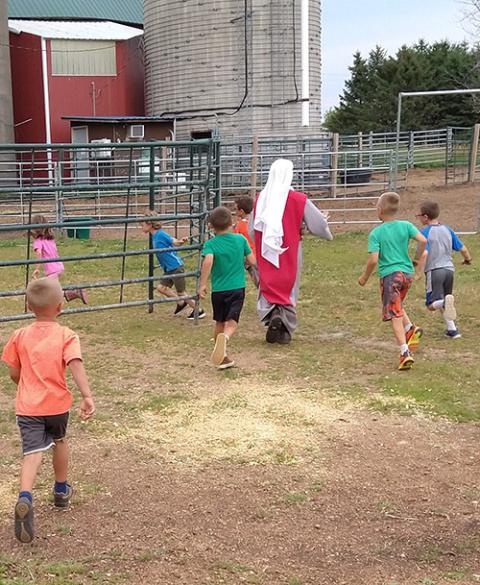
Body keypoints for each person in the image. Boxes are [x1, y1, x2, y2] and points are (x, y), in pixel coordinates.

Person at [1, 277, 95, 544]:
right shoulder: (66, 335)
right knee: (60, 442)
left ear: (29, 306)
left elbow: (13, 373)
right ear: (60, 306)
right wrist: (87, 396)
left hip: (28, 406)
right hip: (57, 405)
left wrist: (26, 384)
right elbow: (75, 364)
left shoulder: (19, 336)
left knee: (32, 453)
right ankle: (61, 491)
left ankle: (25, 496)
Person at [251, 158, 333, 345]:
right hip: (291, 249)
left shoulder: (261, 199)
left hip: (266, 251)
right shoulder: (298, 199)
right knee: (289, 285)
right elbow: (318, 223)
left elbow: (251, 227)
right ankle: (285, 328)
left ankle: (273, 314)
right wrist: (325, 232)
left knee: (269, 284)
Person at [358, 192, 427, 370]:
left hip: (391, 277)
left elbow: (373, 260)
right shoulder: (406, 225)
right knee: (396, 305)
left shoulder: (376, 233)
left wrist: (364, 277)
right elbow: (423, 240)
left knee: (394, 315)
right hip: (407, 275)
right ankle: (411, 328)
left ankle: (404, 353)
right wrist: (417, 259)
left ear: (380, 210)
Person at [199, 206, 256, 369]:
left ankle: (221, 356)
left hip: (218, 290)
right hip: (237, 288)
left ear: (211, 226)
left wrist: (202, 284)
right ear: (232, 222)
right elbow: (252, 261)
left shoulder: (211, 244)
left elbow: (208, 261)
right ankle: (226, 338)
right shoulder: (240, 240)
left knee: (219, 321)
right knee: (232, 323)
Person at [416, 200, 472, 338]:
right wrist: (467, 259)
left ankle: (444, 303)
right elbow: (463, 248)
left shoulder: (424, 233)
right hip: (449, 270)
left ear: (425, 217)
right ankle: (452, 330)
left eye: (419, 215)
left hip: (435, 271)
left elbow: (424, 253)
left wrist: (418, 270)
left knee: (431, 304)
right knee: (446, 300)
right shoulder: (447, 229)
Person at [141, 210, 205, 320]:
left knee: (182, 292)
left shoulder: (160, 234)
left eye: (142, 224)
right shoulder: (154, 236)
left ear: (149, 224)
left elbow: (174, 241)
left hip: (175, 267)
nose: (141, 227)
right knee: (161, 288)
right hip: (169, 268)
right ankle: (181, 302)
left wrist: (181, 241)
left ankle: (198, 310)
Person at [30, 214, 87, 304]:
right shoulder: (49, 239)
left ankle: (73, 294)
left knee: (44, 287)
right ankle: (65, 298)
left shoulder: (38, 242)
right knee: (51, 289)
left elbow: (39, 253)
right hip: (58, 267)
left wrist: (37, 269)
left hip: (52, 270)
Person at [233, 196, 259, 287]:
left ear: (241, 211)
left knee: (258, 281)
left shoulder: (240, 225)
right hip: (259, 254)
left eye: (236, 209)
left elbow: (234, 240)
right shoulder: (256, 222)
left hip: (249, 257)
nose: (235, 212)